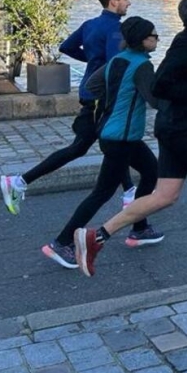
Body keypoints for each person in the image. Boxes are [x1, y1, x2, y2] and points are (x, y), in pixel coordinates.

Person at [73, 0, 187, 278]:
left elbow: (179, 78)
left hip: (173, 128)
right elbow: (160, 87)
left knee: (164, 195)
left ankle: (95, 238)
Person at [0, 0, 136, 214]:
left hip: (89, 92)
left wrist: (92, 59)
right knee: (92, 146)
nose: (129, 2)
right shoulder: (116, 29)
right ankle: (19, 181)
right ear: (114, 1)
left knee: (112, 145)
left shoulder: (90, 24)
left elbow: (67, 47)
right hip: (101, 97)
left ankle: (130, 194)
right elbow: (117, 66)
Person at [42, 16, 163, 268]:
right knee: (102, 193)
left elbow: (92, 86)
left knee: (151, 172)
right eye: (154, 35)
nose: (157, 39)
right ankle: (61, 242)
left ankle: (139, 228)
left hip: (111, 132)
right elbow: (154, 100)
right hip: (122, 138)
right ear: (142, 39)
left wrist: (115, 99)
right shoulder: (142, 65)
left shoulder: (117, 60)